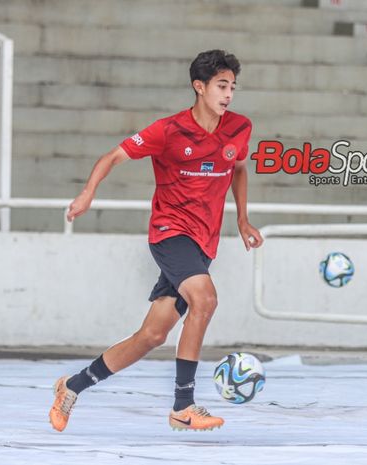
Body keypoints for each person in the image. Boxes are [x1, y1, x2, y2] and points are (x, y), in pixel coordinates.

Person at [48, 49, 263, 432]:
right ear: (200, 87)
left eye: (232, 86)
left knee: (152, 335)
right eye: (221, 85)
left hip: (203, 244)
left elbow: (239, 167)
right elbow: (112, 156)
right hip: (169, 233)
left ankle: (72, 386)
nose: (229, 94)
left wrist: (243, 219)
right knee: (206, 299)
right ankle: (183, 404)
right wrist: (87, 193)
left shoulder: (239, 127)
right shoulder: (168, 130)